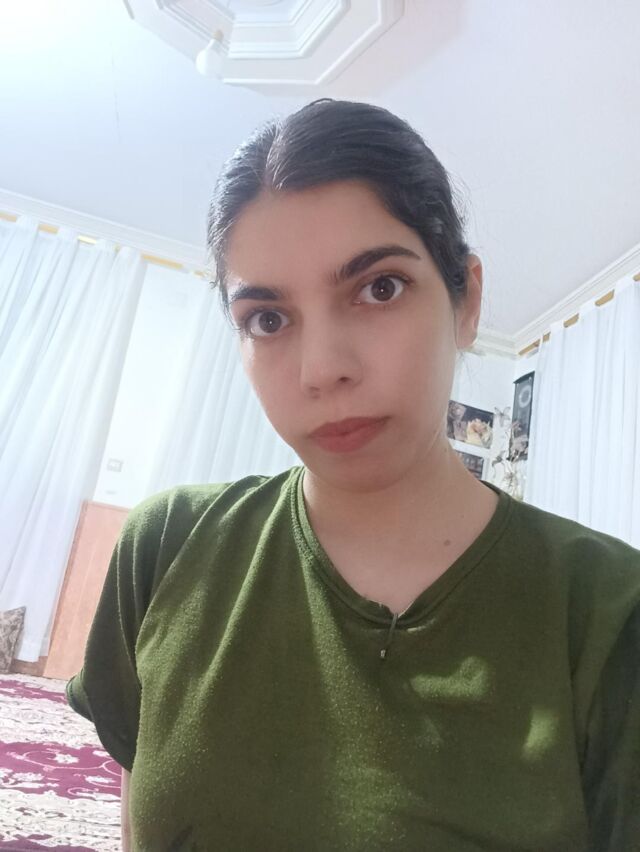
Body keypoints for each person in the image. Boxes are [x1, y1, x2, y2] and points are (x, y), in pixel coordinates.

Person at [66, 99, 640, 851]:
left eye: (379, 288)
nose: (322, 370)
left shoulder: (608, 613)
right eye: (268, 319)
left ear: (466, 300)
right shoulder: (168, 545)